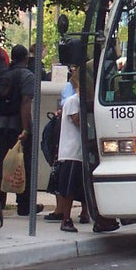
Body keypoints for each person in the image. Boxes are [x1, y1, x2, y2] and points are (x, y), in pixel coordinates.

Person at [0, 44, 44, 215]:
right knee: (25, 165)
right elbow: (26, 102)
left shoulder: (1, 74)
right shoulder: (27, 75)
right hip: (17, 126)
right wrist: (26, 129)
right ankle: (25, 205)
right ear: (26, 58)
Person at [51, 69, 85, 232]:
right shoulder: (73, 101)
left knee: (82, 186)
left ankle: (87, 214)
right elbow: (78, 122)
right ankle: (66, 218)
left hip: (80, 152)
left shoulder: (81, 100)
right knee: (69, 188)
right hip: (72, 150)